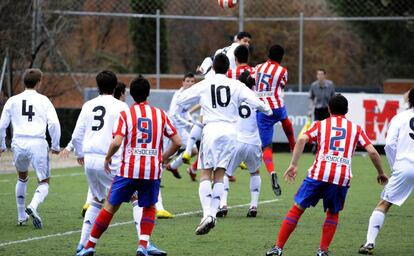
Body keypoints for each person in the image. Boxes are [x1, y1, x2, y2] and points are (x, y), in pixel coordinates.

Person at [265, 94, 389, 256]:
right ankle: (322, 251)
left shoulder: (321, 124)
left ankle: (278, 248)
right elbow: (372, 152)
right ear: (347, 110)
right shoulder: (356, 128)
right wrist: (381, 172)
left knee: (298, 209)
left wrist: (294, 165)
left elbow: (302, 139)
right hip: (341, 177)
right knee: (332, 213)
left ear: (329, 109)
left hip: (319, 173)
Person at [77, 75, 181, 256]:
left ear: (131, 95)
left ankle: (89, 245)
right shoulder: (161, 114)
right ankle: (143, 245)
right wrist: (162, 157)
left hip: (128, 169)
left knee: (109, 206)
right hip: (151, 170)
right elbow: (178, 141)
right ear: (148, 94)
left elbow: (117, 142)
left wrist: (108, 157)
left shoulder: (126, 115)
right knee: (148, 206)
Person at [176, 54, 272, 235]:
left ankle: (207, 214)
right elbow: (256, 102)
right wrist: (268, 109)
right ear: (228, 69)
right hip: (230, 133)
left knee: (205, 173)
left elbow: (182, 100)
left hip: (211, 129)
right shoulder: (236, 85)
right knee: (220, 175)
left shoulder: (206, 83)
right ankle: (212, 213)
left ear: (213, 68)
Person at [180, 32, 253, 166]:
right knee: (236, 119)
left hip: (211, 82)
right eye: (245, 41)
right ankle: (239, 157)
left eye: (248, 41)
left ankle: (189, 150)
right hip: (222, 86)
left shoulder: (222, 49)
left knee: (203, 119)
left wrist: (203, 68)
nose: (247, 44)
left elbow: (209, 59)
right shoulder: (237, 53)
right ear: (238, 40)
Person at [0, 68, 61, 229]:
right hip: (37, 143)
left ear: (24, 82)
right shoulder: (44, 100)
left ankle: (21, 216)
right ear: (39, 82)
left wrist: (1, 145)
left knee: (22, 177)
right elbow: (54, 124)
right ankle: (33, 206)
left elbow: (2, 125)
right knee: (44, 181)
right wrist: (55, 145)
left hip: (18, 142)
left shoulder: (12, 100)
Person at [358, 88, 414, 255]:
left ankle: (369, 243)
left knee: (384, 204)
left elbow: (389, 145)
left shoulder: (400, 117)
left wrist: (394, 167)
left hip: (405, 166)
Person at [218, 71, 263, 218]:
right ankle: (254, 206)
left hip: (237, 141)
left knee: (224, 173)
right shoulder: (258, 98)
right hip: (254, 142)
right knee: (254, 172)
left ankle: (223, 204)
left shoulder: (234, 97)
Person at [254, 44, 296, 197]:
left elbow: (252, 80)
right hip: (277, 106)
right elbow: (281, 85)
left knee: (266, 146)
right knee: (286, 122)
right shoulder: (283, 71)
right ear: (281, 57)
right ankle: (293, 146)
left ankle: (271, 171)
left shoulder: (258, 67)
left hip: (262, 108)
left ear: (268, 55)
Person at [165, 72, 199, 181]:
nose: (190, 83)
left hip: (179, 128)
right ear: (183, 82)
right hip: (172, 128)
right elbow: (174, 115)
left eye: (192, 81)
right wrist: (189, 124)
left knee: (193, 150)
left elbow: (184, 112)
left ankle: (172, 166)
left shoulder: (189, 94)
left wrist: (189, 119)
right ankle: (156, 178)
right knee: (167, 155)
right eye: (187, 81)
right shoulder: (179, 96)